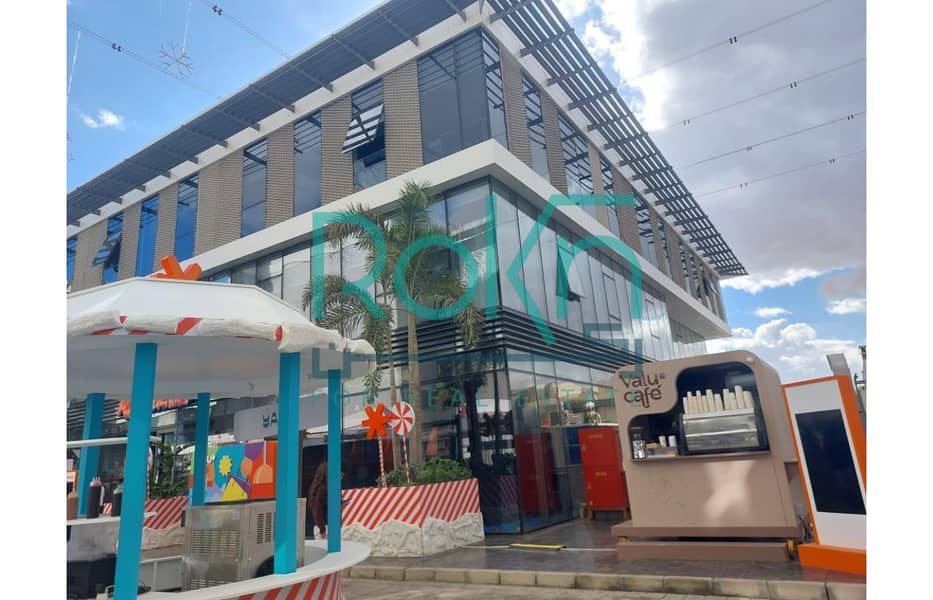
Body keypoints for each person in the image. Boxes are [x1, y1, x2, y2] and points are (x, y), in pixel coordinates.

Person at [307, 463, 328, 540]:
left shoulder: (319, 488)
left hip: (322, 527)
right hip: (323, 529)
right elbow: (317, 511)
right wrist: (322, 530)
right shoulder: (321, 489)